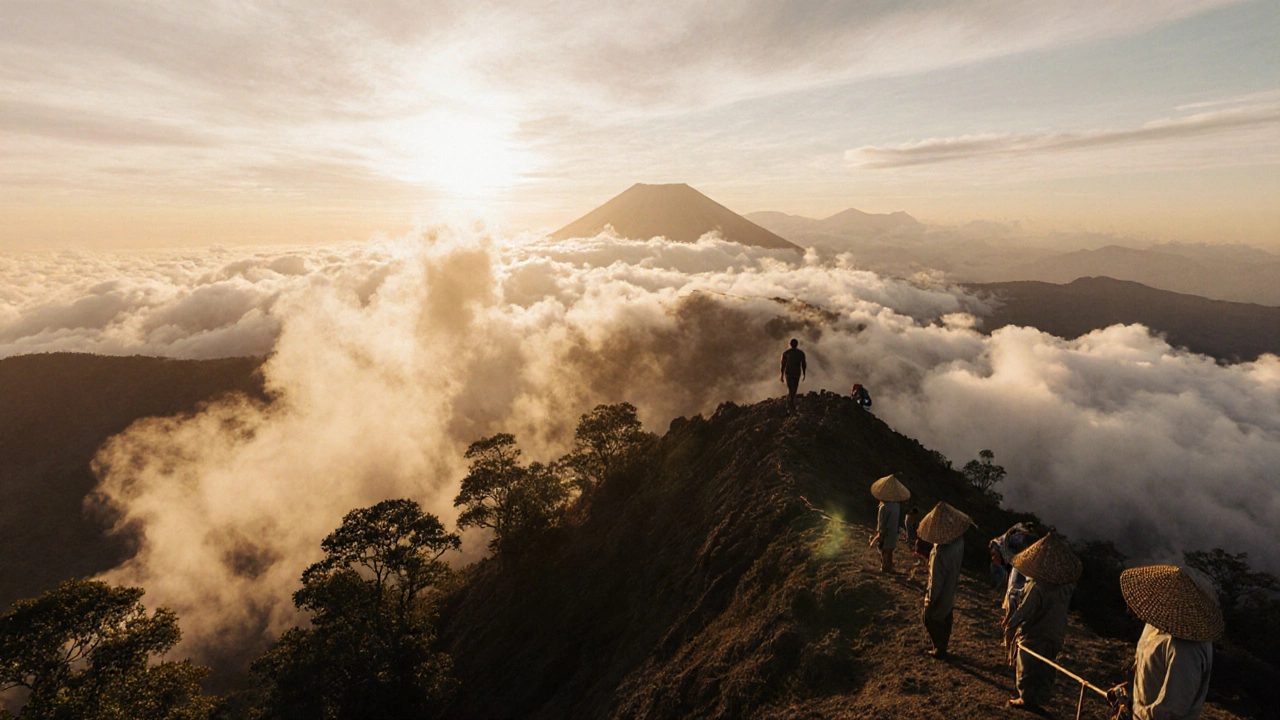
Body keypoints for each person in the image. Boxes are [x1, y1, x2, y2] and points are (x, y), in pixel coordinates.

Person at [1108, 565, 1222, 720]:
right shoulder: (1154, 625)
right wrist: (1131, 691)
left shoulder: (1186, 649)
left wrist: (1133, 708)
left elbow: (1172, 711)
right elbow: (1150, 669)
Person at [1002, 533, 1081, 712]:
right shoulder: (1066, 586)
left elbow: (1026, 611)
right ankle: (1040, 697)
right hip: (1057, 631)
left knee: (1027, 665)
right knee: (1046, 665)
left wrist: (1011, 623)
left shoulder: (1037, 586)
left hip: (1036, 632)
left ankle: (1026, 699)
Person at [917, 502, 974, 658]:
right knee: (947, 614)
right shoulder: (958, 541)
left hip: (942, 589)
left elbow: (936, 580)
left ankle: (939, 648)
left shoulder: (940, 552)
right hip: (952, 585)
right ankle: (943, 645)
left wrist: (930, 597)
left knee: (929, 617)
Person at [867, 474, 910, 573]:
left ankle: (885, 567)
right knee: (890, 550)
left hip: (885, 532)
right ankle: (889, 566)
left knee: (884, 550)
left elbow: (881, 522)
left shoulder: (884, 507)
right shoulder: (896, 506)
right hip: (893, 531)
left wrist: (879, 534)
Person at [780, 339, 806, 413]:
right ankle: (791, 403)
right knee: (794, 389)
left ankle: (790, 403)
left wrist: (781, 375)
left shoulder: (786, 353)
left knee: (790, 388)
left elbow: (783, 365)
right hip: (796, 374)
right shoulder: (801, 353)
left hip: (789, 373)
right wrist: (804, 374)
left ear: (790, 344)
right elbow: (803, 364)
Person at [904, 506, 926, 580]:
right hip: (912, 535)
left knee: (915, 547)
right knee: (915, 547)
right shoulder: (910, 518)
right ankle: (919, 560)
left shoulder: (909, 517)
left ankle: (919, 560)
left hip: (912, 535)